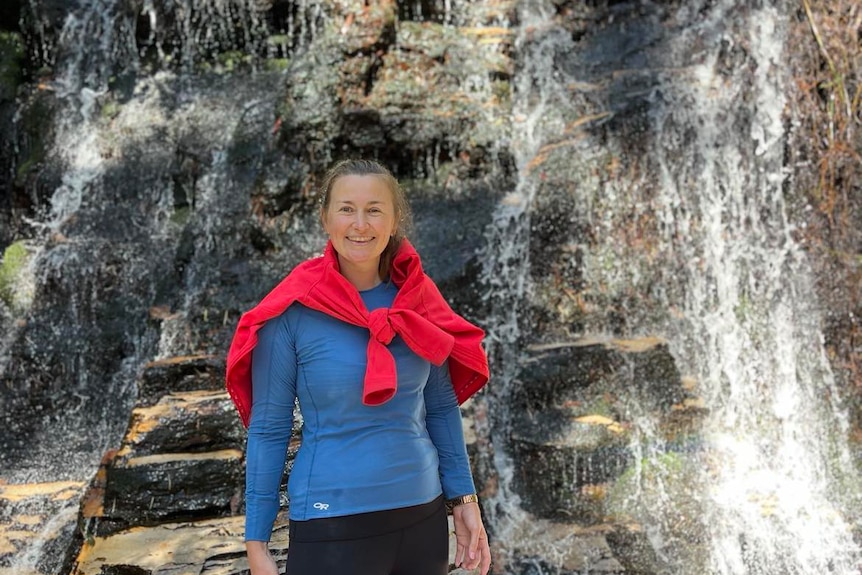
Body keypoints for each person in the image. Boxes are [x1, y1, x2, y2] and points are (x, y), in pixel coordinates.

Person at [225, 158, 493, 575]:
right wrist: (256, 542)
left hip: (422, 517)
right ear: (326, 218)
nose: (360, 224)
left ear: (394, 220)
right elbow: (269, 428)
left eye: (374, 210)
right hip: (331, 521)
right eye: (347, 209)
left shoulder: (417, 299)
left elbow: (440, 407)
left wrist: (464, 500)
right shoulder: (292, 309)